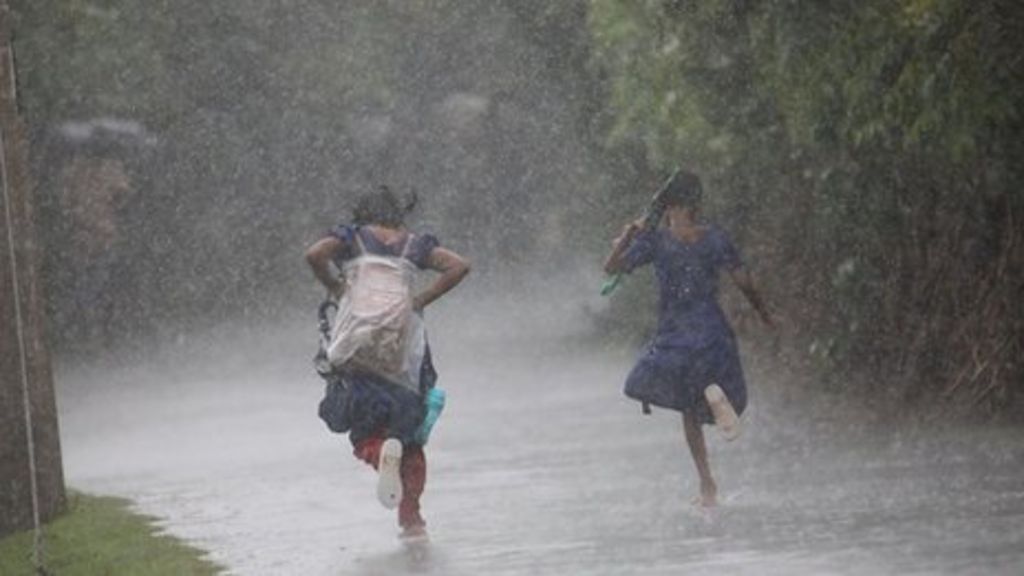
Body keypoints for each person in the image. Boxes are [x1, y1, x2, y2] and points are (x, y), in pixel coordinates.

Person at [305, 185, 470, 538]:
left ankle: (381, 454)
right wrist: (421, 298)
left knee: (362, 426)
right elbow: (459, 266)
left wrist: (337, 288)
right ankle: (412, 518)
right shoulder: (415, 245)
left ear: (362, 214)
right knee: (409, 437)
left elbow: (315, 254)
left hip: (356, 343)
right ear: (398, 214)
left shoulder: (352, 239)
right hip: (401, 348)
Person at [603, 170, 774, 508]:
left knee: (671, 400)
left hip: (674, 339)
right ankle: (715, 397)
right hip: (713, 334)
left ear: (671, 207)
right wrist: (765, 315)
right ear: (696, 205)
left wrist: (627, 236)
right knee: (726, 399)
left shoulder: (656, 242)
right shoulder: (715, 239)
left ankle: (707, 483)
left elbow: (611, 269)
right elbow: (745, 282)